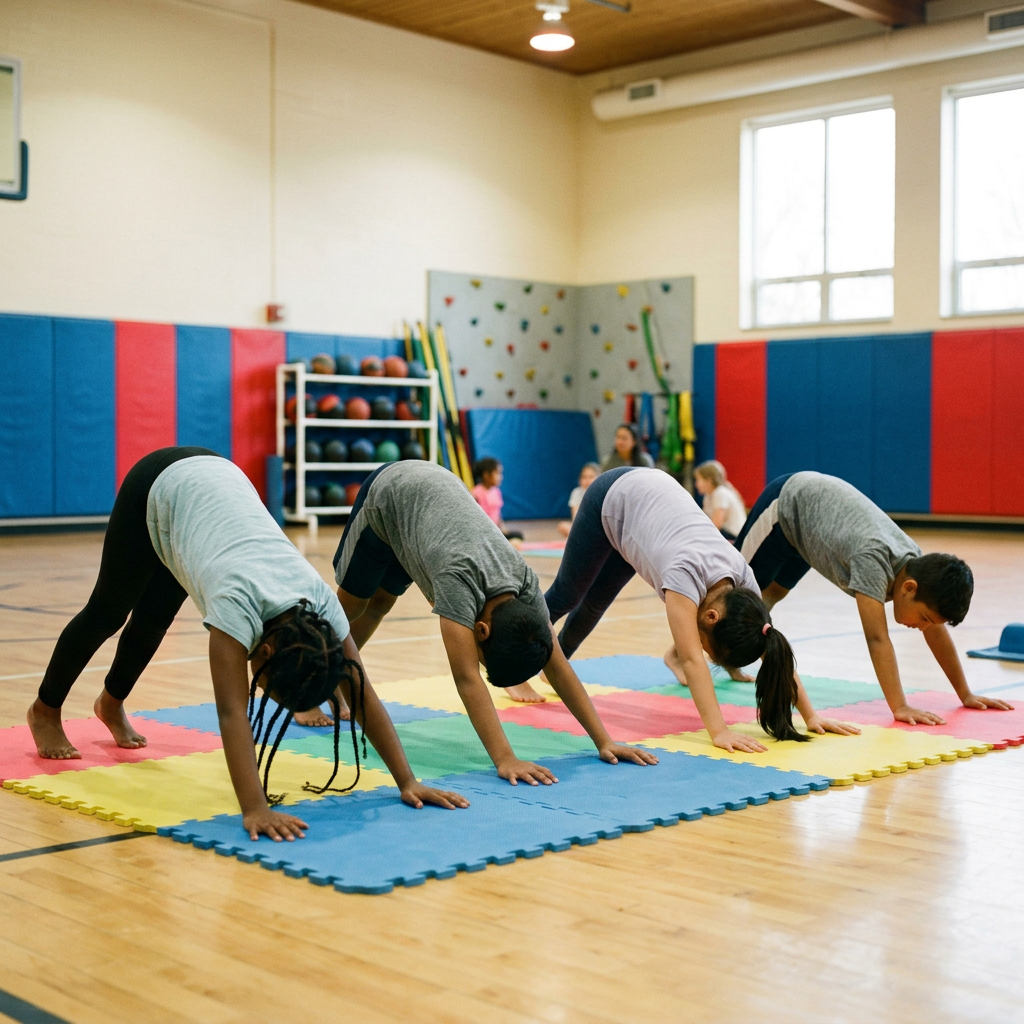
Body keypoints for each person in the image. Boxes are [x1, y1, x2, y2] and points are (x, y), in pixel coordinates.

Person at [27, 448, 468, 842]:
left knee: (155, 616)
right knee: (109, 611)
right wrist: (255, 807)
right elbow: (231, 711)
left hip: (213, 496)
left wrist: (406, 780)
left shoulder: (323, 609)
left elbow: (362, 692)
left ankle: (110, 703)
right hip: (159, 485)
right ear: (266, 654)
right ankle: (44, 710)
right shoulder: (234, 606)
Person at [332, 460, 659, 779]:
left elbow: (557, 665)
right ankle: (313, 681)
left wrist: (604, 741)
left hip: (424, 517)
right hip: (389, 495)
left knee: (381, 602)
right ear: (482, 630)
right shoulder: (457, 584)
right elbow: (467, 679)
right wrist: (505, 759)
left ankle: (334, 676)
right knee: (350, 607)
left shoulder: (526, 585)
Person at [544, 467, 858, 750]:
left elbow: (773, 645)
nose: (704, 652)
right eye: (711, 649)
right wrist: (719, 732)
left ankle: (552, 668)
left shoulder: (741, 581)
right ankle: (518, 658)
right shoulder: (684, 576)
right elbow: (693, 660)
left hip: (646, 509)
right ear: (711, 617)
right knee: (566, 595)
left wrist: (810, 715)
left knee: (596, 601)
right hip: (614, 496)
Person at [736, 471, 1014, 725]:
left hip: (806, 526)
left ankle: (731, 655)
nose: (924, 627)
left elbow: (937, 632)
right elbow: (877, 639)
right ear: (909, 588)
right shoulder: (873, 561)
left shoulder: (917, 567)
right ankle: (695, 657)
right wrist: (900, 707)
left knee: (770, 597)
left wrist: (965, 694)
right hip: (786, 504)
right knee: (735, 594)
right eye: (925, 619)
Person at [470, 457, 523, 545]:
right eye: (497, 473)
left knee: (518, 536)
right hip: (484, 532)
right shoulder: (476, 493)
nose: (501, 477)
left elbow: (498, 515)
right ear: (486, 475)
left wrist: (504, 530)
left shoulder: (496, 492)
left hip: (496, 531)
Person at [694, 460, 747, 540]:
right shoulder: (708, 496)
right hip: (727, 534)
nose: (696, 484)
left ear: (709, 480)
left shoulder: (720, 493)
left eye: (698, 480)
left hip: (735, 537)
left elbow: (716, 524)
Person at [558, 463, 600, 538]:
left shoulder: (602, 492)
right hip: (582, 527)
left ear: (599, 478)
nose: (587, 480)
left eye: (591, 477)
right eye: (584, 477)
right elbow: (575, 517)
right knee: (563, 526)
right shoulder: (576, 493)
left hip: (598, 528)